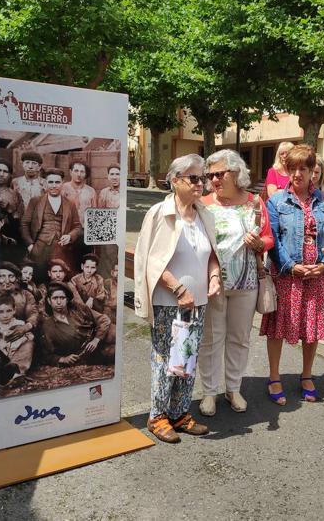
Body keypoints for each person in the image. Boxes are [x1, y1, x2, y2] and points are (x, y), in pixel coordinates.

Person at [134, 154, 222, 443]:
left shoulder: (203, 214)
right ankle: (158, 415)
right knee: (164, 357)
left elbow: (210, 255)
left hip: (197, 301)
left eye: (202, 178)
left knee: (187, 357)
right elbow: (151, 260)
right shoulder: (160, 213)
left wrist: (214, 277)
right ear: (174, 181)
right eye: (193, 178)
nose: (201, 184)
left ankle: (180, 412)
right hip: (168, 300)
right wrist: (179, 290)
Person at [260, 144, 324, 404]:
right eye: (291, 168)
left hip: (317, 276)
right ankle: (274, 377)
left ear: (311, 171)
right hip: (287, 276)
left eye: (302, 168)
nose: (297, 174)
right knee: (278, 328)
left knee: (312, 328)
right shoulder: (276, 201)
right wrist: (290, 266)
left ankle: (307, 375)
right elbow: (272, 239)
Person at [197, 149, 274, 416]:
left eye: (221, 173)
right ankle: (209, 392)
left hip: (247, 283)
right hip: (213, 282)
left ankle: (233, 388)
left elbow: (268, 238)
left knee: (239, 338)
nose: (215, 180)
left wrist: (260, 243)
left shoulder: (254, 202)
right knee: (211, 339)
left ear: (236, 173)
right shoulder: (204, 203)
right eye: (211, 175)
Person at [21, 168, 82, 272]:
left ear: (62, 183)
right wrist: (30, 245)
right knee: (39, 275)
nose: (54, 185)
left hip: (61, 249)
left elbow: (77, 226)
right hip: (39, 247)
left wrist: (70, 236)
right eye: (51, 182)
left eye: (57, 182)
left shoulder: (70, 203)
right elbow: (24, 224)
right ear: (45, 183)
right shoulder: (35, 201)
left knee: (59, 277)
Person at [40, 282, 113, 367]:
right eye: (55, 298)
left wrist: (96, 340)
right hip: (84, 357)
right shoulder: (47, 326)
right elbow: (46, 355)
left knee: (115, 333)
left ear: (67, 300)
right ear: (49, 301)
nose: (59, 302)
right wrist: (63, 359)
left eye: (62, 298)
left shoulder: (79, 310)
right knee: (115, 352)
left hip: (99, 341)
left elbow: (104, 320)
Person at [0, 262, 39, 374]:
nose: (6, 281)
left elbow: (33, 314)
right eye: (2, 276)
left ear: (16, 278)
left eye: (11, 276)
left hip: (19, 335)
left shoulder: (26, 295)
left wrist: (25, 327)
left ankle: (14, 371)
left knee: (29, 344)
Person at [0, 294, 35, 384]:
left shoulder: (20, 324)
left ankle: (17, 374)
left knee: (29, 344)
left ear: (14, 310)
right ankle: (1, 375)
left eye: (9, 311)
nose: (5, 315)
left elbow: (31, 337)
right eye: (1, 312)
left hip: (16, 356)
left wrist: (24, 334)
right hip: (1, 357)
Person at [0, 158, 24, 241]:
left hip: (8, 236)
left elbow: (19, 221)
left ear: (10, 175)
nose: (1, 174)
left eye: (5, 171)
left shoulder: (15, 195)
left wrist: (8, 208)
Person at [62, 160, 97, 224]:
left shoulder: (91, 191)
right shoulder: (63, 188)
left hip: (85, 227)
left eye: (82, 172)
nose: (79, 174)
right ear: (70, 172)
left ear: (85, 174)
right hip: (69, 228)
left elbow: (94, 213)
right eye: (76, 171)